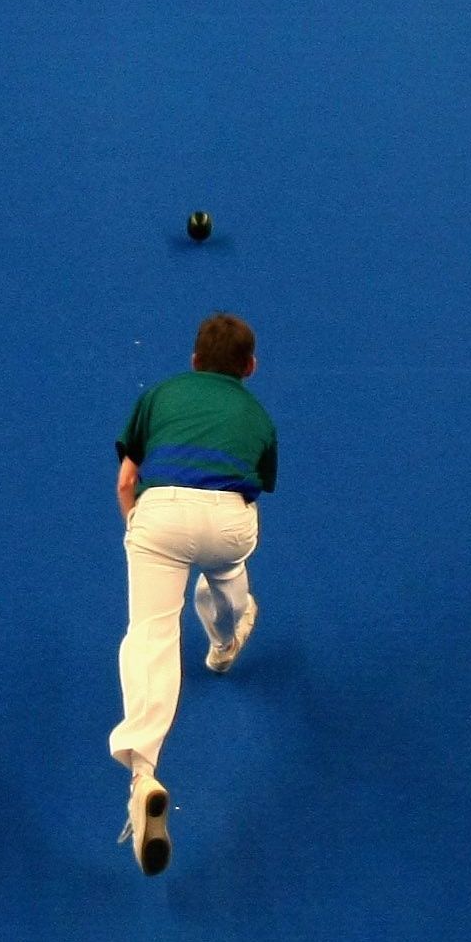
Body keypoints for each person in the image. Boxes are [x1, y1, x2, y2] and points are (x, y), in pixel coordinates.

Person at [108, 310, 278, 876]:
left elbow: (127, 481)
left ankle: (143, 774)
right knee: (227, 576)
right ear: (249, 368)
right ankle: (228, 633)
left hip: (158, 517)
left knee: (151, 635)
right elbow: (258, 487)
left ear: (194, 361)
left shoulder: (159, 395)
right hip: (228, 521)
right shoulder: (258, 414)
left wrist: (139, 528)